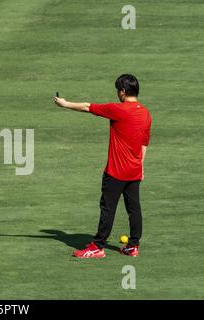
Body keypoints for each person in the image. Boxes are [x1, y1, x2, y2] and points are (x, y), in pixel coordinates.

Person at [53, 74, 152, 258]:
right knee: (134, 209)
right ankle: (133, 246)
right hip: (134, 172)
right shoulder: (145, 113)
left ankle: (98, 246)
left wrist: (65, 104)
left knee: (107, 208)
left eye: (118, 90)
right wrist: (140, 166)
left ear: (123, 92)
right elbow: (144, 143)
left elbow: (88, 107)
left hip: (116, 172)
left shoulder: (119, 110)